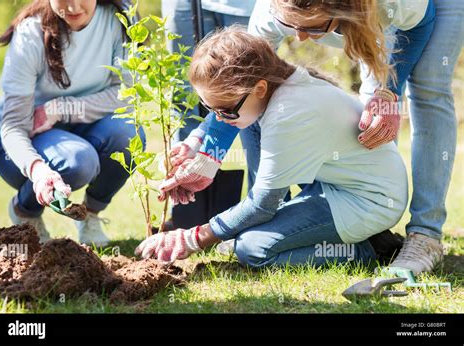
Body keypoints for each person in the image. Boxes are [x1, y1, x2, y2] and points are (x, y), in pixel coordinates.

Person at [157, 0, 464, 274]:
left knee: (427, 88)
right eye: (292, 27)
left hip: (418, 13)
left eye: (311, 27)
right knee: (262, 113)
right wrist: (207, 151)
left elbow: (420, 23)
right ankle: (323, 223)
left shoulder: (389, 5)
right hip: (360, 24)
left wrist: (388, 94)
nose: (300, 38)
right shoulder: (272, 12)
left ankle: (424, 233)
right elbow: (241, 86)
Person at [135, 27, 408, 268]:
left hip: (368, 200)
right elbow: (239, 117)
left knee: (253, 249)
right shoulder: (276, 89)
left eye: (226, 110)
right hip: (337, 186)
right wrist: (204, 158)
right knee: (246, 231)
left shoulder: (287, 113)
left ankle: (369, 248)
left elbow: (263, 205)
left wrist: (193, 238)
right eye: (210, 108)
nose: (219, 118)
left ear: (260, 88)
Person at [0, 0, 143, 245]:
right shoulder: (30, 33)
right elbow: (13, 126)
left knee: (129, 135)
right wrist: (38, 170)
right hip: (22, 138)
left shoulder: (120, 19)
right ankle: (25, 211)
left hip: (80, 124)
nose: (72, 7)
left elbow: (126, 95)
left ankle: (89, 216)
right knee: (78, 162)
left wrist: (62, 109)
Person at [159, 0, 256, 230]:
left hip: (242, 6)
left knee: (248, 92)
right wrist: (196, 142)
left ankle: (260, 204)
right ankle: (185, 211)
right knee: (185, 95)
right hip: (184, 4)